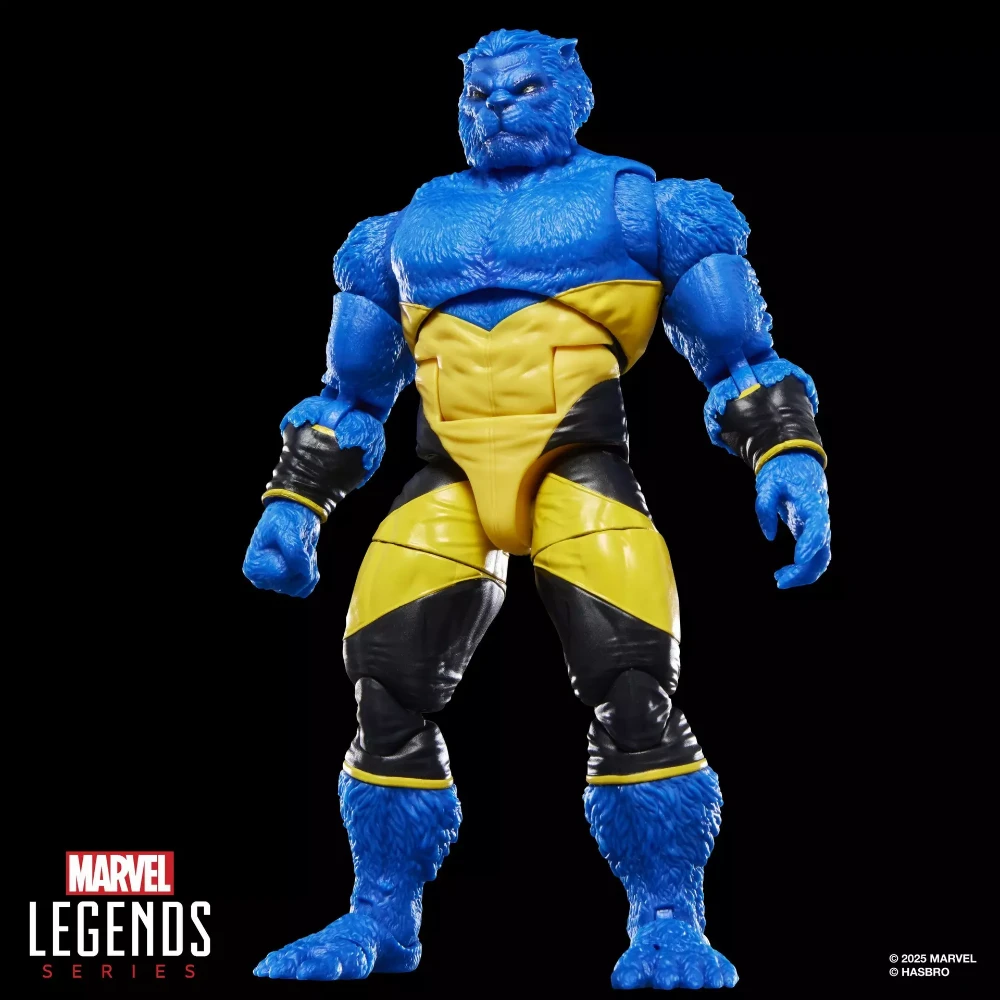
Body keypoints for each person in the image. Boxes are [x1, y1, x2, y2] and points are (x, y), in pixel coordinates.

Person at [244, 28, 830, 990]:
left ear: (573, 92)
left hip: (576, 469)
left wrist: (788, 453)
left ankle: (670, 920)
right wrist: (293, 503)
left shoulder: (640, 205)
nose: (494, 109)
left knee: (634, 689)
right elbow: (351, 394)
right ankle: (380, 917)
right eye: (476, 94)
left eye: (520, 90)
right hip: (445, 479)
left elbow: (740, 354)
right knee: (382, 689)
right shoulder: (403, 230)